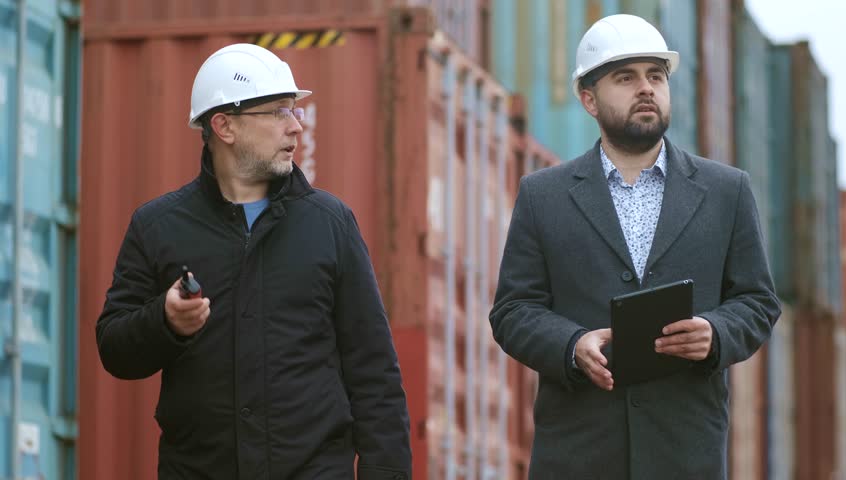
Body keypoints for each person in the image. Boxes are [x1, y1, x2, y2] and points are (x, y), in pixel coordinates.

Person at [96, 43, 412, 480]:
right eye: (280, 112)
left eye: (295, 111)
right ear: (224, 126)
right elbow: (114, 350)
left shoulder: (331, 224)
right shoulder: (158, 226)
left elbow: (374, 371)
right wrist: (165, 322)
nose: (296, 127)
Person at [489, 14, 780, 479]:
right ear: (588, 98)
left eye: (656, 76)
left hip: (685, 456)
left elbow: (758, 301)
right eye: (625, 78)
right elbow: (512, 311)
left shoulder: (728, 191)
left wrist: (715, 331)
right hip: (578, 456)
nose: (646, 88)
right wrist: (571, 344)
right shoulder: (542, 196)